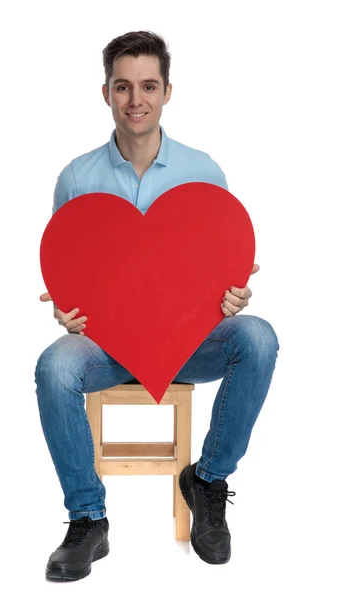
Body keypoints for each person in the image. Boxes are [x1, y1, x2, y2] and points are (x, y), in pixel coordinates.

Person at [35, 30, 279, 581]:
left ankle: (207, 480)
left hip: (188, 342)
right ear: (106, 93)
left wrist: (230, 296)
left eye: (148, 85)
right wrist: (66, 311)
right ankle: (87, 519)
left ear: (168, 91)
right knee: (54, 365)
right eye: (123, 87)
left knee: (258, 336)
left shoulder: (203, 172)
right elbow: (65, 269)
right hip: (107, 346)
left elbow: (219, 273)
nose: (135, 99)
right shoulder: (77, 179)